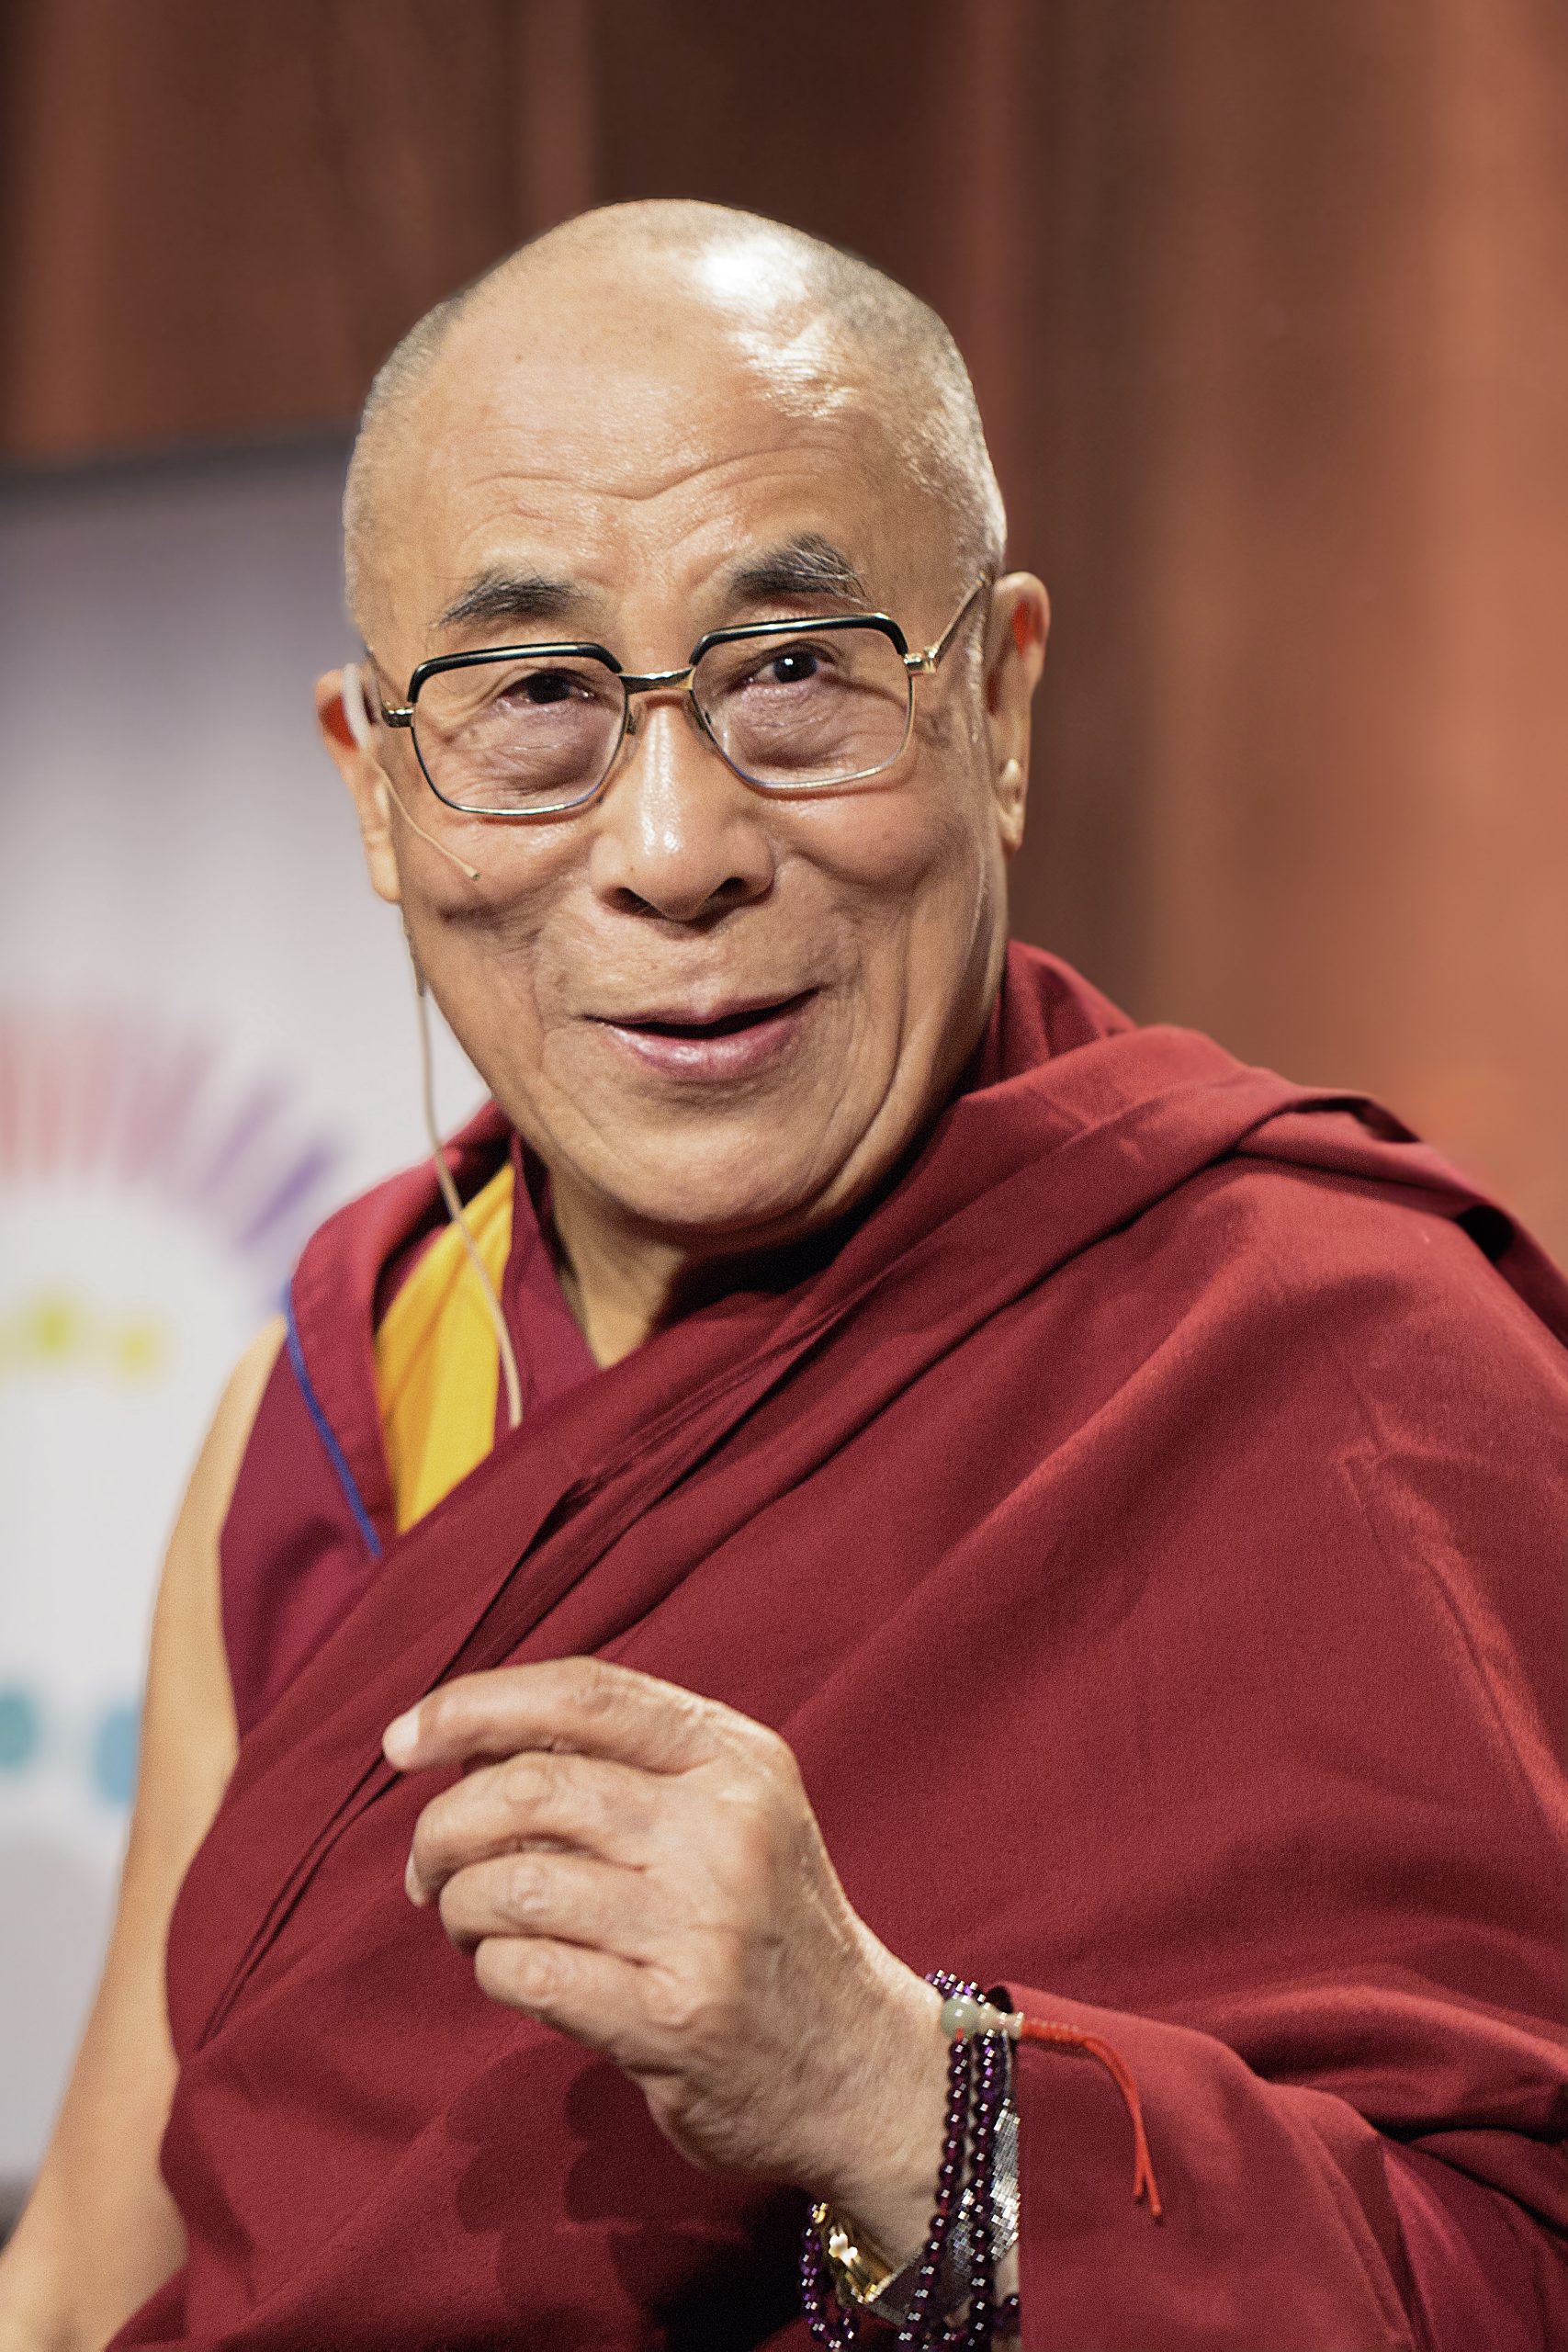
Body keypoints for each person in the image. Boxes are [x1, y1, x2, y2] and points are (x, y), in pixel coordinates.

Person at [1, 198, 1563, 2352]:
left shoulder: (1351, 1365)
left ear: (998, 698)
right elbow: (97, 2272)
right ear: (375, 789)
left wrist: (887, 2088)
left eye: (796, 676)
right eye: (533, 697)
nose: (671, 845)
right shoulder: (352, 1389)